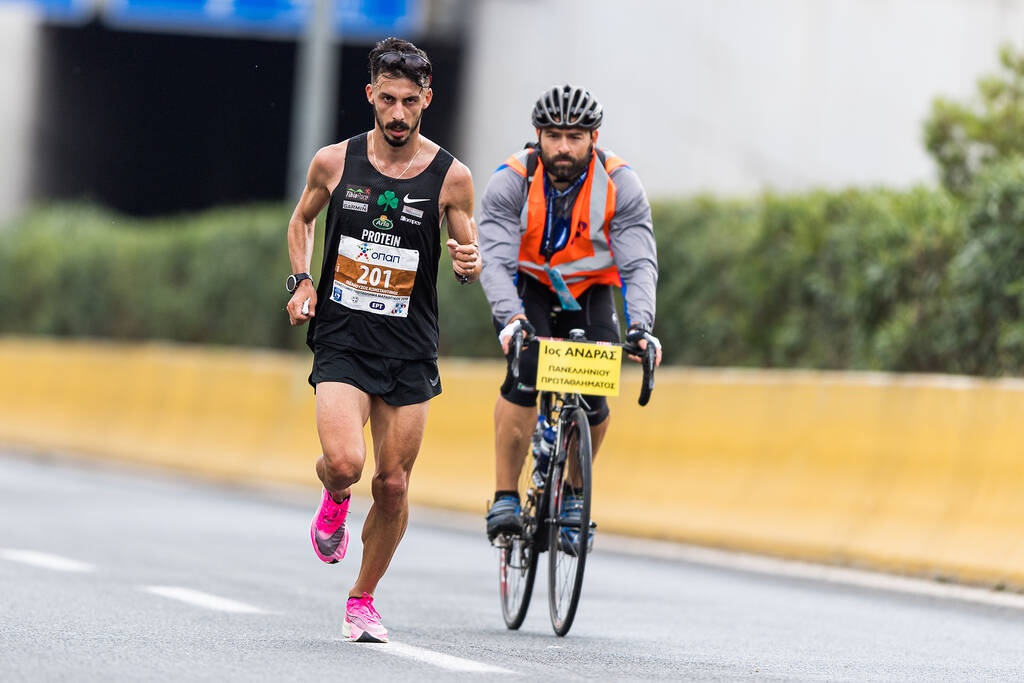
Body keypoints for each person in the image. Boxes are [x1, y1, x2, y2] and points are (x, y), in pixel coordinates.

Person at [285, 36, 480, 643]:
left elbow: (466, 250)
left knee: (393, 484)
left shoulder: (452, 177)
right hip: (343, 337)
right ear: (370, 94)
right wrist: (299, 283)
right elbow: (301, 221)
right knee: (346, 463)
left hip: (410, 347)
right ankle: (334, 493)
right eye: (387, 100)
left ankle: (362, 599)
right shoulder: (334, 162)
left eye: (410, 102)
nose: (398, 115)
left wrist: (469, 262)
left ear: (427, 99)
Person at [478, 84, 661, 544]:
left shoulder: (621, 183)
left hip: (590, 288)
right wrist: (510, 319)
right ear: (537, 135)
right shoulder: (511, 180)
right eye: (554, 135)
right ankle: (504, 496)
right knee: (524, 375)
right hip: (528, 286)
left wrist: (641, 325)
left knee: (594, 391)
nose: (563, 147)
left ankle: (575, 495)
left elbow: (639, 262)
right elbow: (495, 260)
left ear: (594, 138)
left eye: (575, 137)